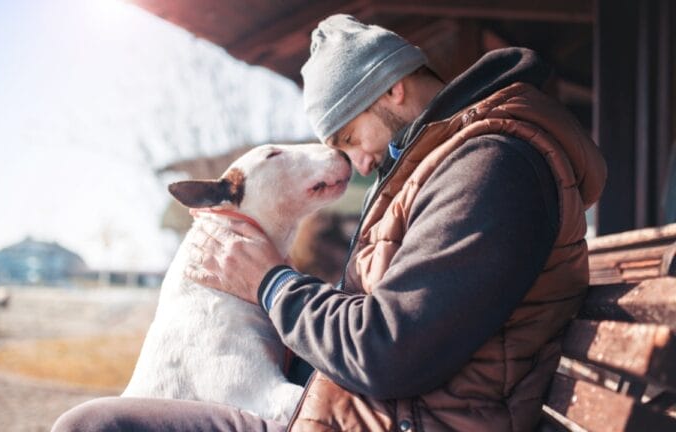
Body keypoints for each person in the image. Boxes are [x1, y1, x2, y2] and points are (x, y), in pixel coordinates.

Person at [52, 14, 606, 432]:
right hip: (372, 405)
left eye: (348, 137)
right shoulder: (454, 164)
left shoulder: (490, 167)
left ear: (391, 89)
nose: (357, 163)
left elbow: (388, 351)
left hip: (395, 418)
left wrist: (270, 282)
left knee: (97, 426)